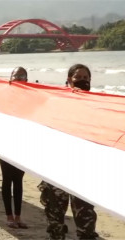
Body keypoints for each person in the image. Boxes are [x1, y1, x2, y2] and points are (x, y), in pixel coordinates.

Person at [38, 64, 98, 240]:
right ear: (68, 81)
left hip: (83, 170)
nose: (82, 81)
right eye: (78, 78)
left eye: (86, 78)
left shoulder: (97, 105)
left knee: (86, 223)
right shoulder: (57, 102)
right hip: (57, 169)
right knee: (55, 223)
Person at [0, 66, 28, 229]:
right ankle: (9, 216)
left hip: (22, 144)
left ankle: (18, 216)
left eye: (22, 76)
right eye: (16, 76)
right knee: (7, 179)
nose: (19, 78)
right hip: (5, 143)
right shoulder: (4, 95)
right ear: (10, 78)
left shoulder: (31, 97)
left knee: (18, 180)